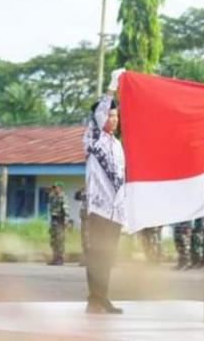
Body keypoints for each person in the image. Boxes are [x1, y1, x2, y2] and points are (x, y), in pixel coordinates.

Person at [83, 68, 127, 315]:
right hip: (99, 208)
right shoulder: (94, 137)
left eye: (116, 116)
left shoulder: (117, 145)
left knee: (108, 257)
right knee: (97, 254)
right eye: (110, 115)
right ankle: (94, 298)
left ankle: (102, 297)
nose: (113, 119)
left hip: (114, 210)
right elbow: (100, 112)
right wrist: (112, 86)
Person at [48, 182, 69, 266]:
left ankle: (60, 259)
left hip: (60, 220)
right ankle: (54, 258)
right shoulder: (53, 197)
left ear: (60, 188)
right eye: (54, 188)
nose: (54, 189)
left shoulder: (63, 197)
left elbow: (66, 210)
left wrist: (66, 221)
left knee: (59, 240)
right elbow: (49, 199)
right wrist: (51, 191)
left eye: (56, 187)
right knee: (53, 240)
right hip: (54, 220)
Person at [74, 186, 89, 266]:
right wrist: (80, 190)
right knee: (83, 239)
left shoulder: (91, 194)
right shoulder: (84, 194)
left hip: (89, 219)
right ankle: (85, 259)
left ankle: (88, 260)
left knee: (87, 239)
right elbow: (76, 197)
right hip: (84, 218)